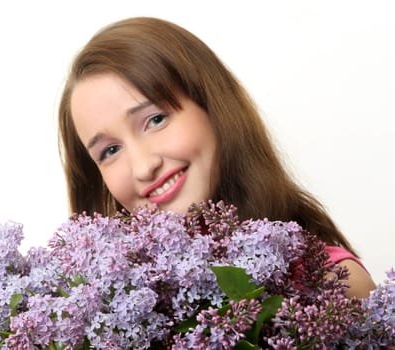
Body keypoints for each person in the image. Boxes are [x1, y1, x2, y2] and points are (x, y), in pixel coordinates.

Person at [57, 16, 376, 298]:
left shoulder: (333, 288)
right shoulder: (104, 310)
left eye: (156, 120)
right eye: (110, 151)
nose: (143, 166)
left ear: (212, 107)